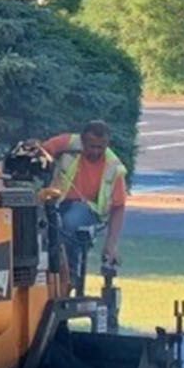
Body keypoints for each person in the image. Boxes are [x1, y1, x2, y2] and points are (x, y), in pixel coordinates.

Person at [37, 120, 128, 290]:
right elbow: (42, 152)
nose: (95, 151)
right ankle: (43, 273)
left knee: (69, 221)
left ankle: (69, 276)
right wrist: (37, 151)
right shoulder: (67, 143)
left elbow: (119, 207)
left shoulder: (114, 168)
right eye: (91, 146)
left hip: (88, 211)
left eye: (100, 147)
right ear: (82, 140)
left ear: (107, 144)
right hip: (56, 203)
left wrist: (111, 244)